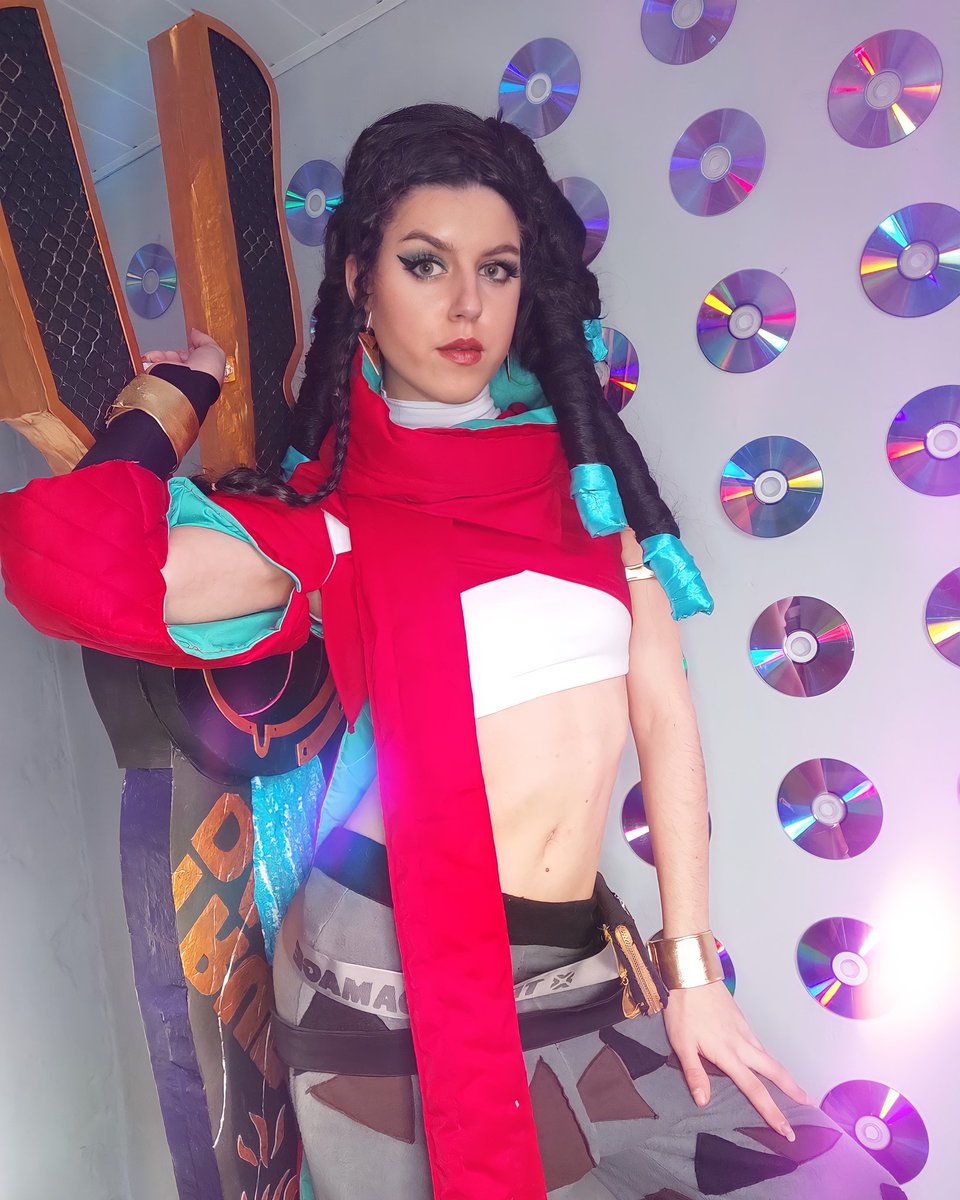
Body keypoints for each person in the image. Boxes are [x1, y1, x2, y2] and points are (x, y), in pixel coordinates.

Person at [0, 105, 902, 1200]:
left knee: (834, 1178)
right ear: (361, 287)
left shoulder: (588, 494)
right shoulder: (338, 525)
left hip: (572, 959)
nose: (468, 303)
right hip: (383, 977)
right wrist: (184, 387)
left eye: (498, 268)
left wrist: (692, 967)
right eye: (426, 263)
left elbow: (665, 718)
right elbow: (70, 562)